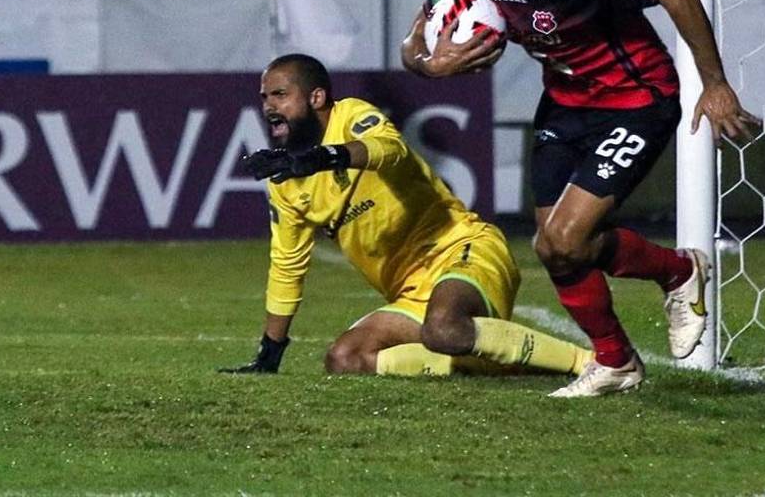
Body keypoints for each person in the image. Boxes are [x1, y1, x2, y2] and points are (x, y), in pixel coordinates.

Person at [401, 0, 758, 397]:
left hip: (636, 100)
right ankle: (616, 362)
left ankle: (679, 272)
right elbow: (413, 45)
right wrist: (432, 65)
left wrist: (716, 84)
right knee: (556, 248)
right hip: (567, 104)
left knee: (567, 237)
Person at [224, 53, 594, 380]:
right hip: (411, 293)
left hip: (464, 249)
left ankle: (592, 363)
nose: (269, 106)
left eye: (279, 95)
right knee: (345, 359)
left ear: (316, 97)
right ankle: (497, 360)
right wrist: (269, 355)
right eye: (264, 98)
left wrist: (323, 157)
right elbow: (287, 266)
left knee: (444, 327)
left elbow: (390, 150)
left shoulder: (350, 114)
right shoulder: (287, 181)